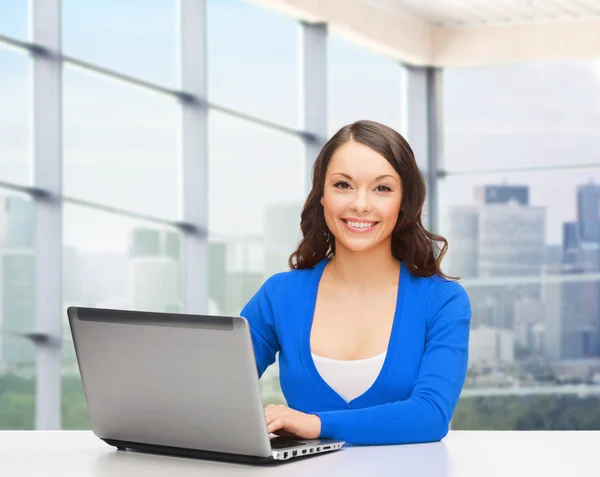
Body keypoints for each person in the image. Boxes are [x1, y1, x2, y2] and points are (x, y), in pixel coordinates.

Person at [240, 120, 471, 446]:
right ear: (322, 195)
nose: (360, 204)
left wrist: (315, 424)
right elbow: (218, 392)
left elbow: (431, 415)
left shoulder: (443, 301)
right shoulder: (280, 295)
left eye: (382, 188)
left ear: (404, 202)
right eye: (343, 185)